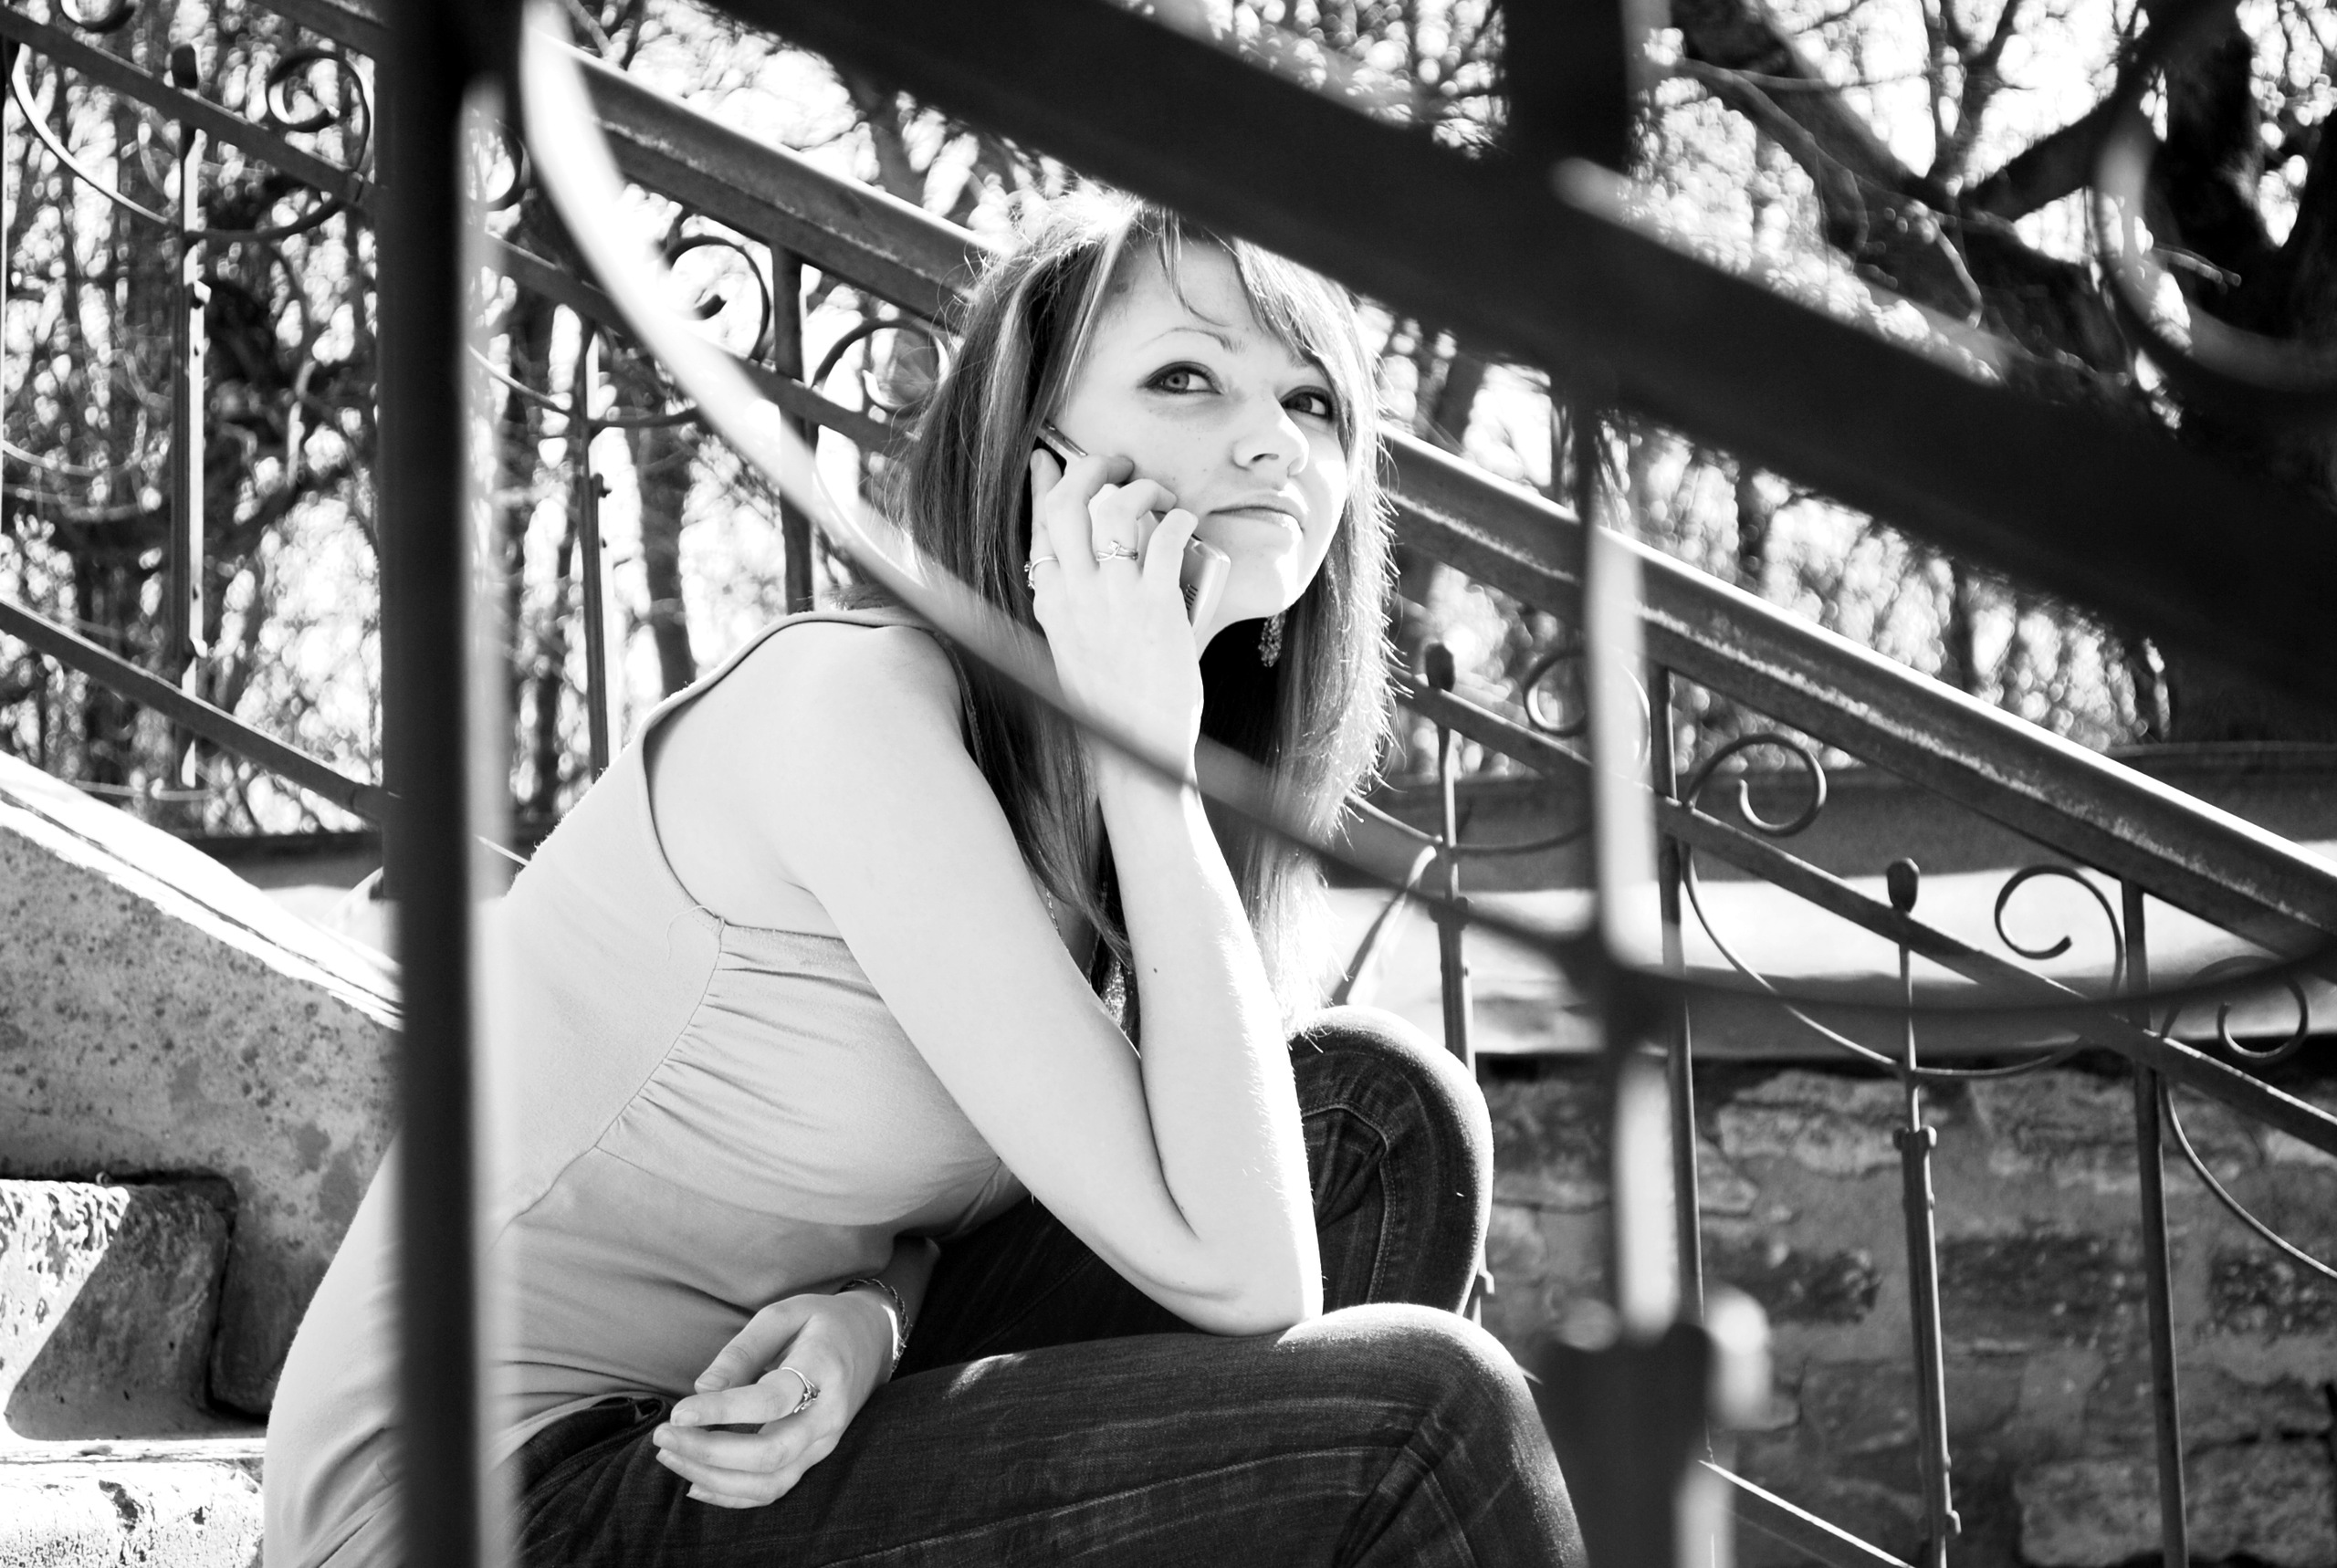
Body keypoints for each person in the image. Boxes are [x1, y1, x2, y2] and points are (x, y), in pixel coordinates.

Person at [265, 190, 1582, 1567]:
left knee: (1374, 1120)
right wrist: (1147, 748)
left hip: (748, 1432)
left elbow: (949, 1218)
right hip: (491, 1503)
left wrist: (874, 1318)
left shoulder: (1079, 816)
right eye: (1187, 378)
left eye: (1313, 401)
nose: (1274, 440)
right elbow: (1252, 1280)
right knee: (1424, 1416)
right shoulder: (849, 717)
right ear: (1033, 457)